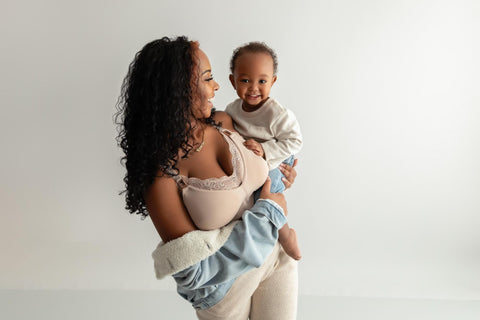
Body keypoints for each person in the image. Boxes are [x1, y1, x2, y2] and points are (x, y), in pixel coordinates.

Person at [115, 36, 299, 320]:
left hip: (277, 256)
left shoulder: (224, 122)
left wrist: (281, 171)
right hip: (226, 292)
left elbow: (264, 166)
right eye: (208, 78)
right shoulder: (162, 178)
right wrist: (268, 213)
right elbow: (196, 274)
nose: (217, 87)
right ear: (175, 89)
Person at [226, 42, 303, 260]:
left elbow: (295, 141)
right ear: (233, 81)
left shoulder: (277, 114)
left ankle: (286, 235)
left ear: (273, 81)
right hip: (253, 162)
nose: (253, 88)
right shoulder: (232, 110)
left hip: (277, 159)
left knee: (264, 197)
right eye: (245, 80)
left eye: (262, 81)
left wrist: (265, 149)